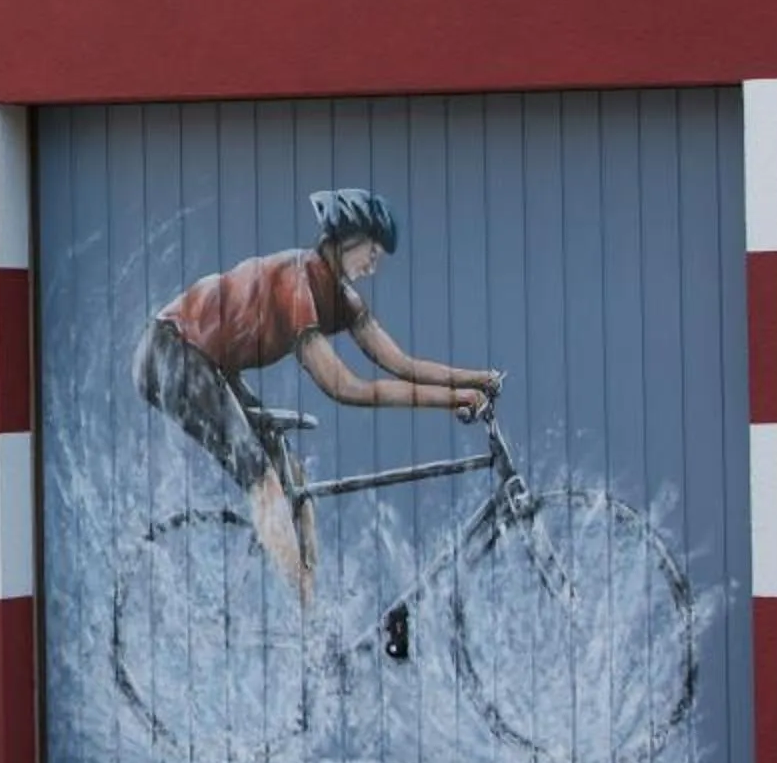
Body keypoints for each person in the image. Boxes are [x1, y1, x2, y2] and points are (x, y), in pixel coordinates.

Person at [134, 187, 502, 600]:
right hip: (171, 351)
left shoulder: (342, 297)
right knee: (263, 480)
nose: (374, 266)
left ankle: (313, 599)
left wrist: (477, 380)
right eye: (373, 253)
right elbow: (347, 388)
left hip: (210, 362)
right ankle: (307, 617)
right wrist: (452, 400)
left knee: (296, 476)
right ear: (347, 240)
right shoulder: (296, 282)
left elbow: (401, 363)